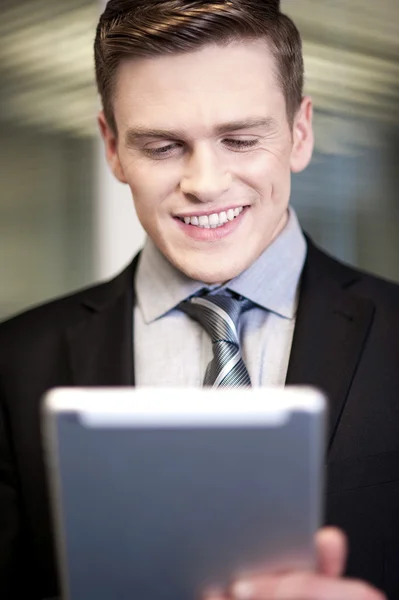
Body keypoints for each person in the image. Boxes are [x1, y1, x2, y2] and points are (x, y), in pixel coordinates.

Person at [0, 0, 398, 598]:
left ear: (299, 133)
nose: (205, 183)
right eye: (162, 146)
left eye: (239, 139)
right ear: (112, 147)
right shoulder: (12, 361)